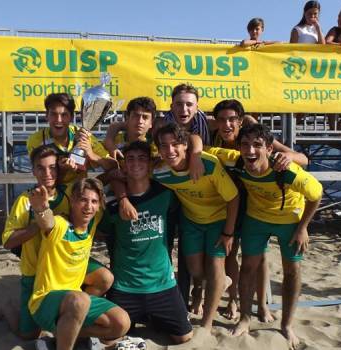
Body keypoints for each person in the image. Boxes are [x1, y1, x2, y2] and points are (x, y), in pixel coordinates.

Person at [0, 145, 114, 340]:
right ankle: (7, 308)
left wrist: (88, 155)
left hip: (66, 265)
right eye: (41, 168)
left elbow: (95, 183)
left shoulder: (69, 193)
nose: (47, 173)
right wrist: (41, 222)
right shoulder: (25, 200)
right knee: (28, 335)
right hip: (36, 271)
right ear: (33, 171)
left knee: (105, 278)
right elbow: (8, 241)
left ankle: (72, 319)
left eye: (52, 167)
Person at [206, 99, 307, 322]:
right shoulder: (214, 135)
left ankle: (261, 305)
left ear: (240, 122)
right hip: (227, 201)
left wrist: (288, 157)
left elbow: (303, 158)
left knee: (258, 257)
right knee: (229, 252)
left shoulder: (253, 139)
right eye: (222, 120)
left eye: (233, 120)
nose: (227, 125)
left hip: (253, 202)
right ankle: (233, 300)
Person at [222, 124, 322, 349]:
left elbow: (316, 194)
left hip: (289, 220)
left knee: (292, 271)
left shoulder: (286, 170)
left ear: (269, 149)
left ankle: (287, 325)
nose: (250, 151)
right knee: (248, 268)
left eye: (257, 145)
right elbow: (203, 151)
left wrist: (302, 228)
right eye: (245, 145)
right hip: (256, 219)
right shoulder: (236, 161)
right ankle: (245, 318)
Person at [145, 123, 239, 330]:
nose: (170, 150)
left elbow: (233, 199)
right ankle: (217, 283)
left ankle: (206, 324)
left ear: (185, 145)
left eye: (175, 144)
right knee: (197, 271)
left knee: (215, 266)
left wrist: (228, 233)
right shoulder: (160, 172)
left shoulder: (209, 164)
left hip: (219, 219)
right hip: (192, 220)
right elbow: (136, 176)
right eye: (164, 146)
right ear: (158, 150)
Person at [99, 141, 193, 344]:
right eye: (130, 159)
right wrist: (121, 196)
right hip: (125, 286)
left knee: (184, 337)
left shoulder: (166, 194)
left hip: (161, 285)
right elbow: (104, 233)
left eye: (142, 158)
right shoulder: (113, 206)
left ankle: (154, 316)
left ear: (150, 164)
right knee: (109, 339)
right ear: (123, 165)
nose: (135, 163)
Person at [28, 178, 130, 350]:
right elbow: (47, 222)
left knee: (121, 323)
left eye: (94, 201)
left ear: (99, 206)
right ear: (73, 201)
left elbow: (113, 175)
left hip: (73, 301)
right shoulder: (61, 224)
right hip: (45, 301)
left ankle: (65, 331)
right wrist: (41, 209)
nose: (88, 206)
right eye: (83, 200)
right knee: (80, 299)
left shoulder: (92, 222)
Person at [26, 93, 117, 185]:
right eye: (54, 114)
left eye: (64, 115)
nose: (58, 120)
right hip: (51, 193)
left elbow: (113, 166)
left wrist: (92, 155)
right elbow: (43, 178)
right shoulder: (36, 140)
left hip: (78, 195)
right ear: (46, 116)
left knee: (113, 175)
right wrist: (63, 170)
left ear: (71, 117)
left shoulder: (83, 135)